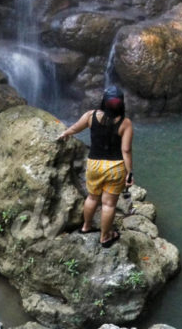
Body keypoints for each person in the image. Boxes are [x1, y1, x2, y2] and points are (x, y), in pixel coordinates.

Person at [57, 85, 134, 247]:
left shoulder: (90, 116)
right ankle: (105, 237)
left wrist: (66, 133)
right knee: (108, 204)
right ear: (121, 104)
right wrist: (129, 173)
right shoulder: (125, 123)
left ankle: (86, 227)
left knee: (92, 197)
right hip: (115, 167)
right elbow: (125, 150)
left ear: (103, 102)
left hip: (94, 164)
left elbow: (76, 127)